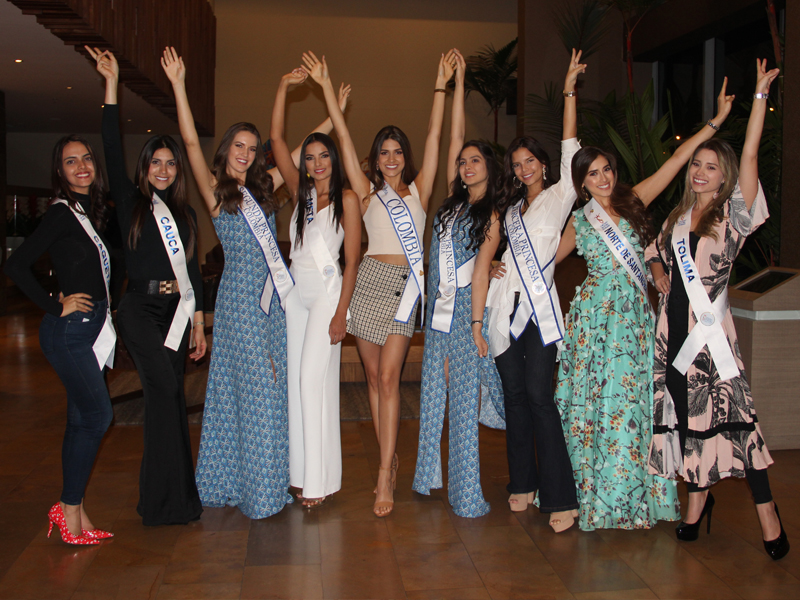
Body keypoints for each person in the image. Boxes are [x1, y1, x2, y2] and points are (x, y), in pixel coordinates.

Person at [552, 78, 735, 531]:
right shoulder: (579, 221)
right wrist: (498, 267)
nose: (603, 178)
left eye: (606, 170)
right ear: (581, 182)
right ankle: (593, 495)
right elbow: (541, 263)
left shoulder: (634, 201)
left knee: (633, 404)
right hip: (594, 322)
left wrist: (714, 122)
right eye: (592, 174)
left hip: (634, 322)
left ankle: (635, 495)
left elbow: (676, 161)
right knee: (597, 405)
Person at [302, 49, 457, 517]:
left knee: (390, 377)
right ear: (376, 159)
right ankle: (387, 459)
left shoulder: (421, 189)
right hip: (368, 283)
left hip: (404, 288)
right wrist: (326, 86)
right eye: (384, 152)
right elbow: (343, 138)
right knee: (372, 378)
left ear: (406, 158)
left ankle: (385, 471)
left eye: (398, 152)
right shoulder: (367, 192)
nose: (391, 159)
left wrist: (440, 85)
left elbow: (435, 135)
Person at [647, 60, 788, 560]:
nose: (701, 172)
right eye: (697, 165)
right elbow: (653, 253)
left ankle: (767, 513)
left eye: (711, 166)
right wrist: (658, 271)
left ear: (724, 175)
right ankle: (696, 502)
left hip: (708, 339)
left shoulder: (733, 214)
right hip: (671, 334)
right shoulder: (677, 217)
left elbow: (750, 152)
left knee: (738, 420)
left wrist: (759, 98)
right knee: (688, 421)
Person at [88, 47, 206, 526]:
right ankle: (163, 501)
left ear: (178, 170)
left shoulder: (186, 214)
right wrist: (111, 84)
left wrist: (199, 323)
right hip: (139, 310)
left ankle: (172, 501)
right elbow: (110, 145)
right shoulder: (131, 202)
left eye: (170, 163)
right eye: (156, 162)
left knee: (171, 400)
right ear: (145, 167)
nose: (163, 170)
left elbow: (192, 271)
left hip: (177, 313)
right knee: (164, 391)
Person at [483, 50, 585, 531]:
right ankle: (522, 482)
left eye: (530, 161)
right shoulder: (509, 211)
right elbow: (495, 254)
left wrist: (568, 91)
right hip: (504, 312)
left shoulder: (561, 196)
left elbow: (571, 146)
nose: (524, 168)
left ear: (544, 165)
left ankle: (561, 496)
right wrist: (494, 268)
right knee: (515, 398)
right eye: (517, 163)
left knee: (541, 398)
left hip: (541, 316)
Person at [5, 136, 115, 544]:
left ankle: (75, 510)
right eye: (71, 161)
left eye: (86, 158)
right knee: (98, 416)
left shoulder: (91, 211)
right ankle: (68, 508)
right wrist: (55, 305)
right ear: (59, 171)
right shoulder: (60, 213)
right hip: (68, 332)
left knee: (80, 420)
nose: (81, 166)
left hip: (90, 328)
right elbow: (16, 264)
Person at [413, 50, 506, 518]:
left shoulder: (492, 214)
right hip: (437, 317)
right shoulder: (451, 205)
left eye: (475, 160)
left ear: (490, 167)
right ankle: (427, 477)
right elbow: (453, 136)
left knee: (464, 406)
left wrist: (475, 326)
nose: (467, 166)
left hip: (468, 315)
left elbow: (483, 267)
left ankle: (466, 492)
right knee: (432, 397)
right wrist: (455, 82)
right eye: (463, 161)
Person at [270, 68, 360, 507]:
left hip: (327, 299)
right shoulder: (299, 193)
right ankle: (305, 474)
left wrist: (342, 313)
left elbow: (353, 260)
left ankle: (317, 485)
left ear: (334, 159)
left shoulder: (348, 199)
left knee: (311, 382)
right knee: (301, 385)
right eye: (309, 157)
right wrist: (283, 89)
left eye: (323, 156)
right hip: (296, 299)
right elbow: (274, 140)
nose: (316, 163)